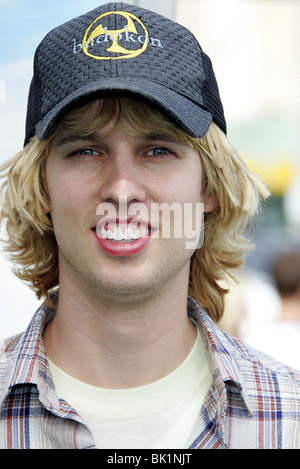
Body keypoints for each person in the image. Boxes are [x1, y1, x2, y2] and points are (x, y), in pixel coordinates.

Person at [0, 2, 299, 450]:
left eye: (157, 150)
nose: (122, 190)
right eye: (85, 150)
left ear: (210, 189)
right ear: (41, 190)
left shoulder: (290, 417)